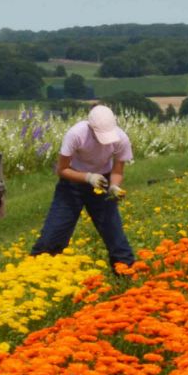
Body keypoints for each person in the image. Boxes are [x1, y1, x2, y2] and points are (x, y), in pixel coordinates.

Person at [30, 104, 138, 271]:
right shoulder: (76, 134)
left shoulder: (121, 138)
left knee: (114, 234)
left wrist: (114, 186)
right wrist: (88, 177)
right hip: (71, 184)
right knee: (54, 233)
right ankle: (36, 271)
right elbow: (61, 169)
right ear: (90, 127)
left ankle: (126, 273)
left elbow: (118, 170)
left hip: (103, 183)